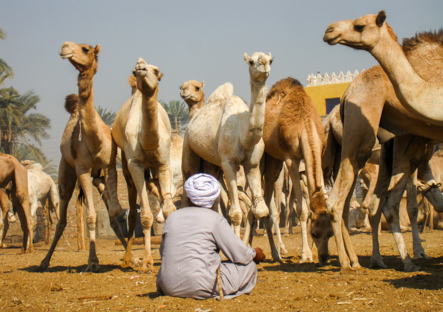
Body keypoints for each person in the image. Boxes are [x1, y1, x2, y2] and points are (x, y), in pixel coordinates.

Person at [156, 173, 265, 300]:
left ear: (189, 197)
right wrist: (254, 254)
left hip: (168, 286)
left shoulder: (172, 217)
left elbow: (163, 252)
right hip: (202, 286)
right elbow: (239, 254)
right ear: (214, 198)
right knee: (249, 266)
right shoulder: (215, 219)